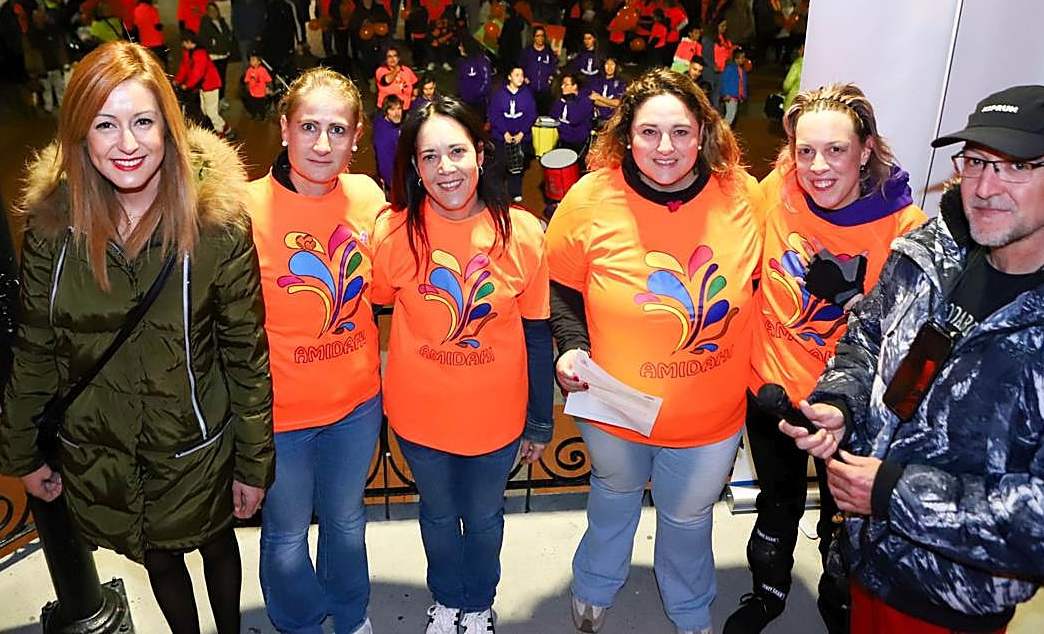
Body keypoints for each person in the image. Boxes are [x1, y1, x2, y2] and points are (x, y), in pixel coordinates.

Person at [783, 85, 1044, 634]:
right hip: (865, 555)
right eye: (975, 162)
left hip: (953, 596)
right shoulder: (938, 247)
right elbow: (868, 333)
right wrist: (840, 403)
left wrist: (894, 493)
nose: (985, 189)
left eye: (1017, 166)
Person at [0, 41, 273, 634]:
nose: (127, 144)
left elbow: (245, 354)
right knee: (159, 557)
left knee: (217, 548)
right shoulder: (54, 230)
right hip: (111, 450)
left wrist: (253, 462)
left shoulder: (216, 224)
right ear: (80, 135)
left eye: (143, 121)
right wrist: (20, 451)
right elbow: (37, 348)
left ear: (168, 126)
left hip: (196, 444)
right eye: (105, 124)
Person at [547, 68, 762, 634]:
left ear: (704, 134)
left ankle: (690, 608)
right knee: (614, 491)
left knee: (688, 517)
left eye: (681, 132)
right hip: (613, 404)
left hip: (708, 414)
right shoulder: (590, 197)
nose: (665, 148)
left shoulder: (743, 194)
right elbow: (562, 285)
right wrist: (570, 346)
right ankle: (596, 581)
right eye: (648, 133)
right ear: (627, 135)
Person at [723, 83, 926, 634]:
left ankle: (839, 604)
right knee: (776, 499)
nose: (817, 166)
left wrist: (862, 300)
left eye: (835, 150)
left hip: (851, 407)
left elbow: (919, 337)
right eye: (805, 150)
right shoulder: (780, 190)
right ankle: (766, 592)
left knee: (846, 517)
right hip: (771, 388)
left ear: (865, 151)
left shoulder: (904, 227)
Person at [371, 97, 554, 634]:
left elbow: (537, 335)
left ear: (480, 153)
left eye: (456, 151)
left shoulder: (522, 233)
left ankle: (478, 605)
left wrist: (540, 420)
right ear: (415, 167)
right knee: (435, 515)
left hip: (495, 418)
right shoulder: (395, 234)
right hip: (420, 414)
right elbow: (375, 302)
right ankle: (447, 599)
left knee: (483, 518)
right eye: (429, 157)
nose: (445, 168)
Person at [245, 68, 386, 634]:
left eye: (337, 129)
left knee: (347, 522)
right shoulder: (244, 209)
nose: (323, 144)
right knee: (283, 535)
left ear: (356, 138)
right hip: (280, 416)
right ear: (284, 129)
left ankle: (350, 616)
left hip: (356, 405)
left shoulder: (368, 195)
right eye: (309, 126)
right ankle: (300, 622)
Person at [488, 66, 537, 203]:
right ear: (509, 77)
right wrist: (504, 132)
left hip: (521, 137)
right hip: (502, 137)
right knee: (500, 164)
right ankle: (497, 193)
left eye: (522, 75)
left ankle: (515, 191)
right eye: (516, 75)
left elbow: (531, 115)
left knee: (517, 167)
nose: (520, 78)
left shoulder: (527, 94)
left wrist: (522, 132)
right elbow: (494, 115)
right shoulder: (499, 95)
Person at [176, 31, 228, 136]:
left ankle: (221, 131)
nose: (183, 45)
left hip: (210, 85)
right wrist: (178, 79)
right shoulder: (188, 52)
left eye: (184, 42)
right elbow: (184, 67)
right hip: (203, 86)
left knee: (211, 112)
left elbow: (198, 73)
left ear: (189, 42)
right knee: (205, 110)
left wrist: (187, 85)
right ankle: (222, 128)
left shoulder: (200, 54)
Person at [555, 73, 595, 163]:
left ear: (574, 86)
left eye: (566, 84)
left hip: (577, 142)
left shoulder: (585, 101)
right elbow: (554, 115)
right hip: (563, 139)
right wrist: (561, 102)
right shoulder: (562, 99)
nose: (562, 87)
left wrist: (570, 101)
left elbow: (574, 119)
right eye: (562, 84)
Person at [520, 26, 558, 115]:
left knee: (544, 112)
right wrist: (525, 78)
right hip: (530, 89)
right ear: (533, 37)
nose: (540, 38)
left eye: (542, 36)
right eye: (538, 36)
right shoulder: (527, 51)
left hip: (545, 90)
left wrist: (550, 78)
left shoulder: (549, 51)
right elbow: (521, 66)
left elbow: (553, 66)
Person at [456, 35, 493, 118]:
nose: (459, 48)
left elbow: (486, 81)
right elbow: (461, 80)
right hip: (465, 101)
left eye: (461, 46)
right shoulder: (462, 62)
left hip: (479, 102)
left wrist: (477, 95)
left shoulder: (482, 61)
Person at [373, 94, 404, 192]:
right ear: (386, 111)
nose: (397, 113)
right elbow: (385, 162)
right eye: (392, 109)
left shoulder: (380, 121)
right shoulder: (388, 135)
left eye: (399, 108)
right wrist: (394, 184)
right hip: (394, 183)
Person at [375, 46, 417, 111]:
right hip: (387, 109)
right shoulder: (380, 70)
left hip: (405, 107)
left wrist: (414, 95)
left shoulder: (406, 70)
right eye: (389, 56)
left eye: (395, 56)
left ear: (398, 58)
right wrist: (396, 71)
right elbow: (386, 81)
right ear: (385, 59)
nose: (392, 59)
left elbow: (415, 83)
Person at [587, 56, 625, 127]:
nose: (609, 67)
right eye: (607, 64)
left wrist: (599, 97)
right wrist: (611, 104)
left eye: (612, 64)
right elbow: (593, 100)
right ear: (603, 65)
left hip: (613, 120)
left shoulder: (621, 83)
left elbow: (618, 103)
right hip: (597, 118)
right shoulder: (596, 80)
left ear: (616, 66)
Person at [242, 51, 274, 121]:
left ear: (259, 62)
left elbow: (268, 80)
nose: (251, 62)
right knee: (253, 105)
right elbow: (246, 80)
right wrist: (247, 89)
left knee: (262, 106)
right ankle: (254, 115)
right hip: (252, 93)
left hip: (261, 93)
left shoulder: (263, 70)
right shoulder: (249, 70)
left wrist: (269, 88)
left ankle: (263, 116)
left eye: (253, 60)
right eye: (251, 60)